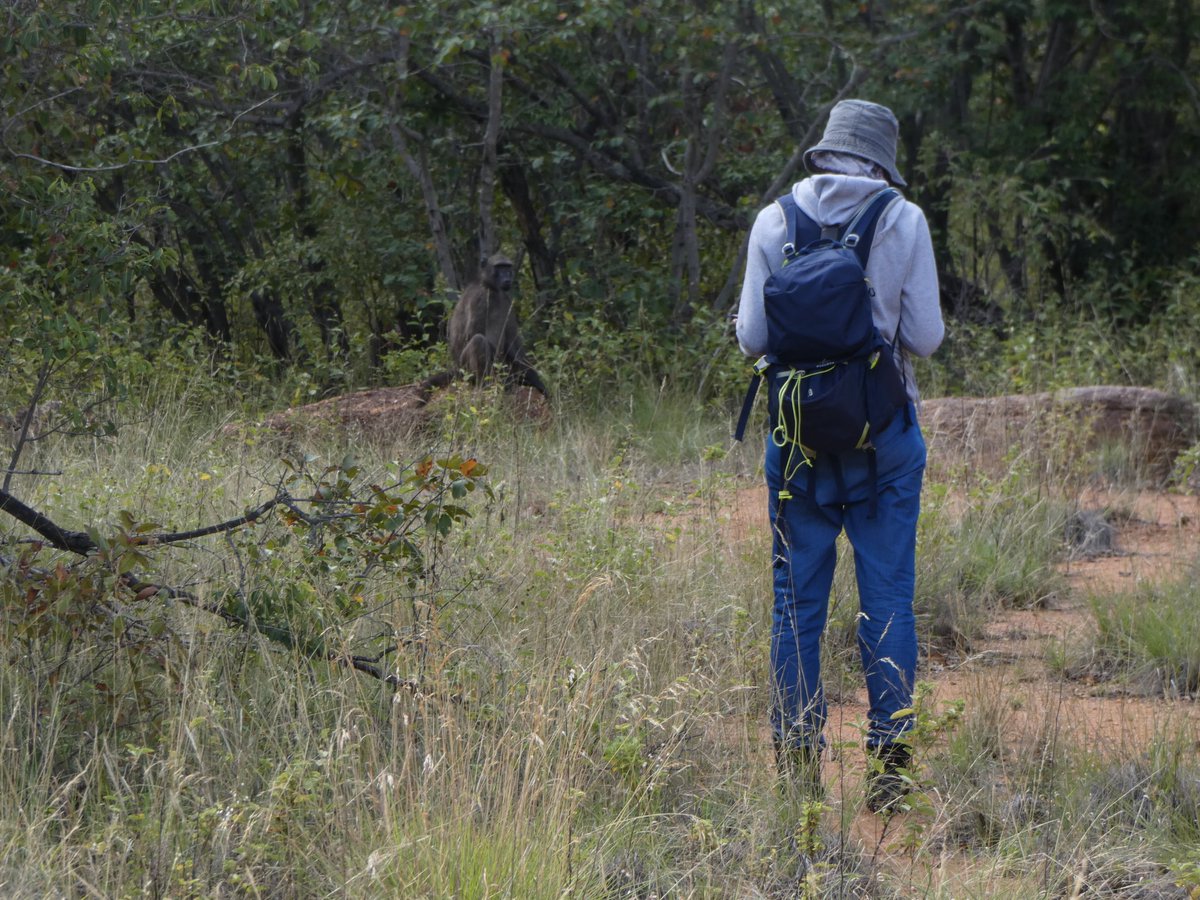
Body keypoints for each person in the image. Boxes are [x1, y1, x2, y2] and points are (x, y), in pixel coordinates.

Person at [734, 99, 945, 810]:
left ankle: (798, 776)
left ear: (824, 151)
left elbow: (752, 339)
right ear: (882, 160)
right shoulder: (902, 219)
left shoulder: (773, 220)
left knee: (796, 607)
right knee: (887, 602)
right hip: (884, 439)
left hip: (796, 443)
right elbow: (926, 337)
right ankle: (888, 773)